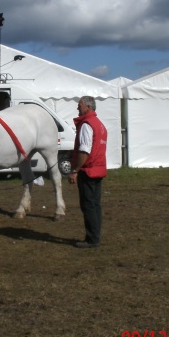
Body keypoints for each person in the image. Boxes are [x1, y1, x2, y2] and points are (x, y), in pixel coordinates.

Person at [68, 96, 108, 248]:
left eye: (80, 105)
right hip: (98, 168)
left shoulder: (86, 124)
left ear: (88, 107)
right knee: (95, 204)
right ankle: (95, 236)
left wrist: (74, 170)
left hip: (88, 169)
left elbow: (84, 150)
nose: (78, 108)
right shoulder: (99, 124)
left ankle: (92, 239)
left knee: (88, 205)